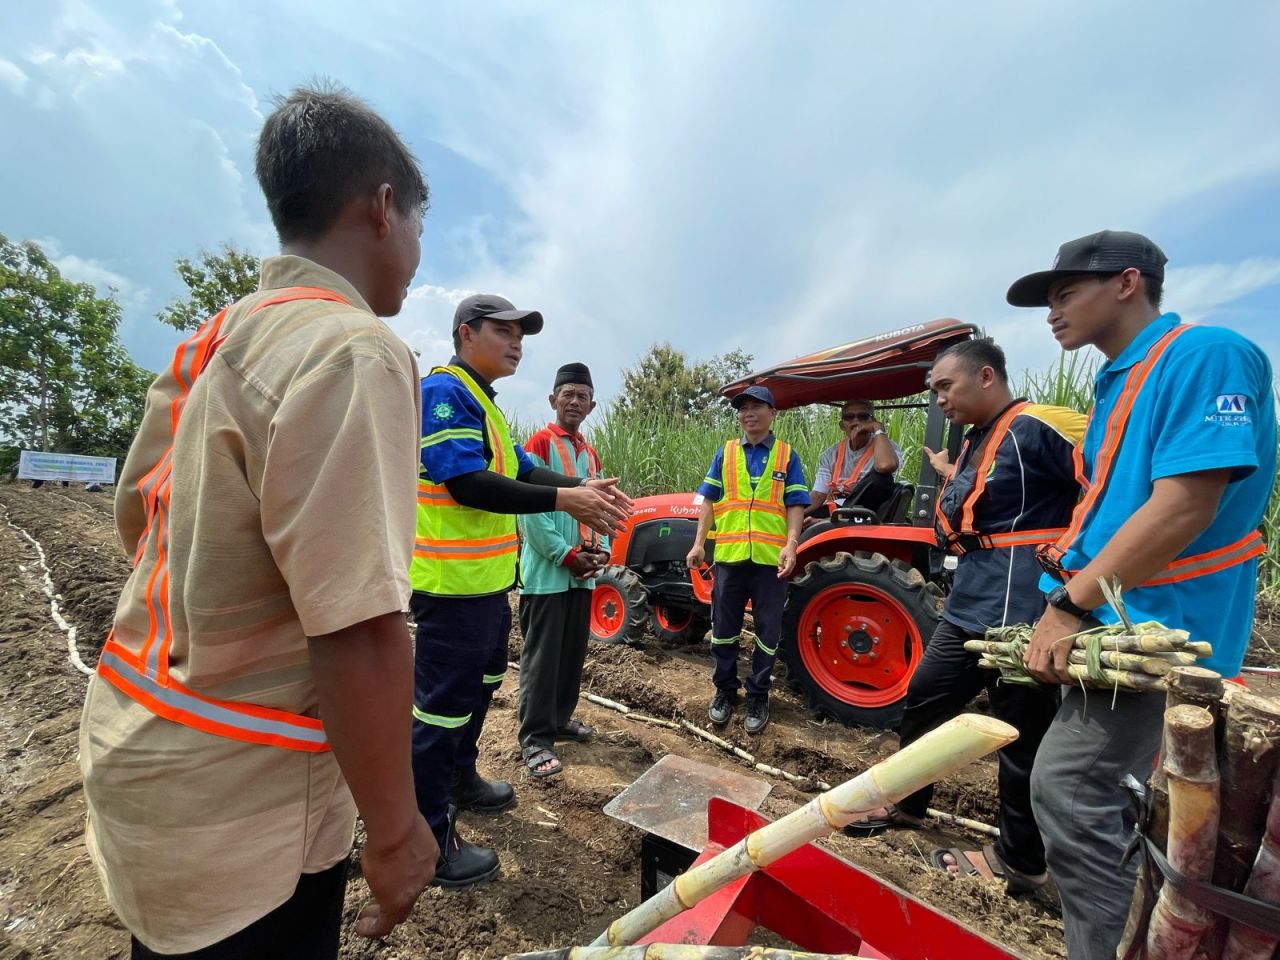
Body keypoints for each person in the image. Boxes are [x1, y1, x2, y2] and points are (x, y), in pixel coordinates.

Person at [80, 86, 438, 958]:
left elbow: (140, 519)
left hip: (142, 753)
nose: (420, 253)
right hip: (246, 806)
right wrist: (395, 835)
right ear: (383, 209)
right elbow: (355, 628)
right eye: (422, 226)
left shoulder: (215, 337)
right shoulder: (351, 350)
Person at [1009, 230, 1276, 960]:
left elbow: (1186, 504)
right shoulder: (1119, 381)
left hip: (1161, 630)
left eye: (1067, 294)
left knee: (1070, 795)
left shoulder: (1205, 354)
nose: (1052, 313)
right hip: (1109, 620)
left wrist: (1067, 606)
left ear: (1128, 283)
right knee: (1107, 804)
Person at [846, 338, 1086, 897]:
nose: (939, 400)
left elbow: (1110, 484)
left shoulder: (1040, 427)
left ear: (984, 376)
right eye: (932, 391)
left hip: (1025, 611)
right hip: (969, 601)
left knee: (1019, 735)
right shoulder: (976, 439)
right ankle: (907, 803)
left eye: (944, 387)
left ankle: (1022, 861)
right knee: (926, 696)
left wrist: (1073, 581)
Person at [412, 297, 632, 888]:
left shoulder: (483, 402)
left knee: (481, 687)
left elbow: (520, 474)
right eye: (503, 331)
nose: (517, 343)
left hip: (485, 584)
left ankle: (462, 779)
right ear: (466, 334)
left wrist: (580, 485)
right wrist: (567, 500)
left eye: (522, 334)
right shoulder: (445, 392)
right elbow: (467, 484)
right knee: (439, 709)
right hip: (448, 586)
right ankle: (426, 839)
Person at [685, 385, 809, 734]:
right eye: (743, 409)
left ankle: (758, 694)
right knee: (723, 630)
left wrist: (792, 544)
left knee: (768, 632)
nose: (748, 414)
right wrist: (698, 545)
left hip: (771, 562)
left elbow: (795, 504)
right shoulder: (726, 453)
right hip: (731, 558)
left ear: (773, 414)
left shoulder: (787, 455)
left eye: (757, 407)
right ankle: (724, 689)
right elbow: (708, 501)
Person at [516, 363, 611, 779]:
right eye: (567, 394)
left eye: (582, 396)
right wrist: (565, 554)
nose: (574, 402)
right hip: (548, 572)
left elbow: (602, 507)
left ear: (592, 406)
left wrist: (600, 552)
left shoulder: (590, 454)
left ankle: (558, 720)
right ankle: (534, 738)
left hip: (582, 573)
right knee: (542, 657)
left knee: (571, 654)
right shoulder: (537, 444)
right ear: (553, 400)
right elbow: (532, 512)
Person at [807, 399, 901, 520]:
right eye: (849, 417)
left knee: (882, 478)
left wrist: (878, 428)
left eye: (863, 417)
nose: (856, 421)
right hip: (834, 510)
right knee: (800, 516)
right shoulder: (830, 454)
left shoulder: (887, 447)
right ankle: (828, 521)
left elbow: (885, 466)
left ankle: (831, 521)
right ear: (842, 425)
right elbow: (818, 494)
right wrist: (795, 512)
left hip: (867, 512)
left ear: (871, 421)